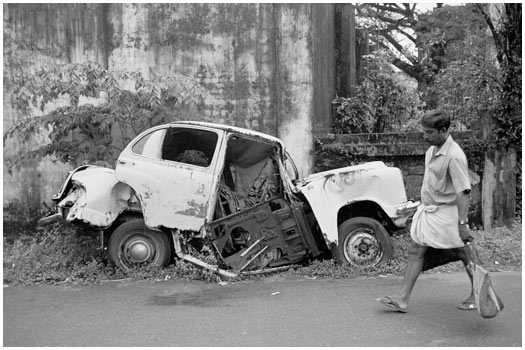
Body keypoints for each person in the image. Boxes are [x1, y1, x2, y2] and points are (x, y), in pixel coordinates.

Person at [376, 109, 475, 313]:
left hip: (448, 215)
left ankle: (480, 293)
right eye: (424, 131)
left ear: (444, 130)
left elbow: (463, 192)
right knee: (416, 250)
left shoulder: (454, 156)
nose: (425, 136)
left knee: (465, 253)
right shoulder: (432, 150)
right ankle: (402, 298)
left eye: (429, 132)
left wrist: (463, 224)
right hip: (430, 212)